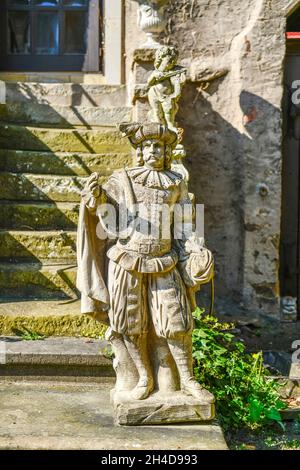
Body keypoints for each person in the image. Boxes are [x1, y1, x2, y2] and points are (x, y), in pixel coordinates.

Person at [77, 122, 214, 403]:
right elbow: (110, 223)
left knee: (177, 321)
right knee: (129, 324)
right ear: (139, 151)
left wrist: (195, 249)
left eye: (159, 146)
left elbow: (185, 224)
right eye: (148, 146)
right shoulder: (122, 179)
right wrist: (96, 200)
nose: (154, 150)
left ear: (167, 151)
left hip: (165, 261)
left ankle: (187, 380)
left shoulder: (176, 182)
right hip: (127, 261)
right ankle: (143, 377)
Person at [148, 46, 187, 133]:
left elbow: (176, 85)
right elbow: (149, 83)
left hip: (167, 96)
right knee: (157, 111)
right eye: (169, 61)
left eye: (174, 61)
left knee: (168, 110)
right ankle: (158, 125)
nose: (172, 63)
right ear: (161, 60)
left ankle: (170, 125)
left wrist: (179, 81)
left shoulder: (173, 73)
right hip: (155, 93)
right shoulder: (156, 72)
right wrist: (154, 77)